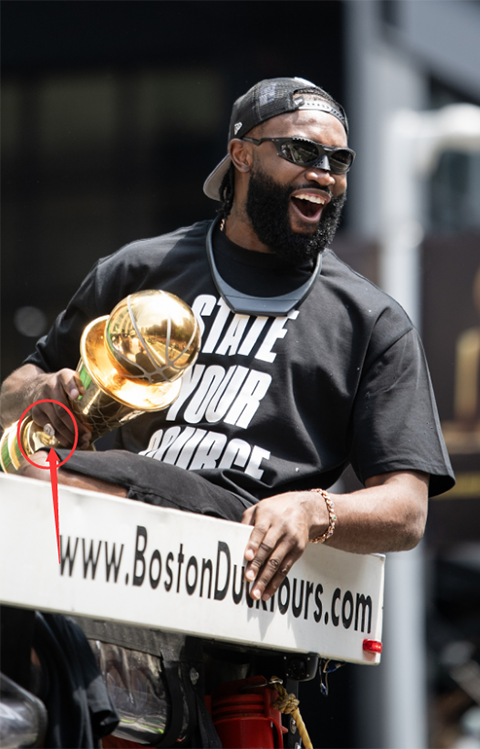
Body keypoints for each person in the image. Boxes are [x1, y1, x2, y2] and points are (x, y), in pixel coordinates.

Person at [0, 76, 454, 604]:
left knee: (38, 478)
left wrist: (313, 509)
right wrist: (40, 395)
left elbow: (407, 510)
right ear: (242, 155)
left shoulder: (372, 321)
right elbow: (15, 391)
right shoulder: (140, 268)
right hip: (125, 524)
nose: (323, 173)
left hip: (245, 539)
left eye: (339, 160)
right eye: (301, 151)